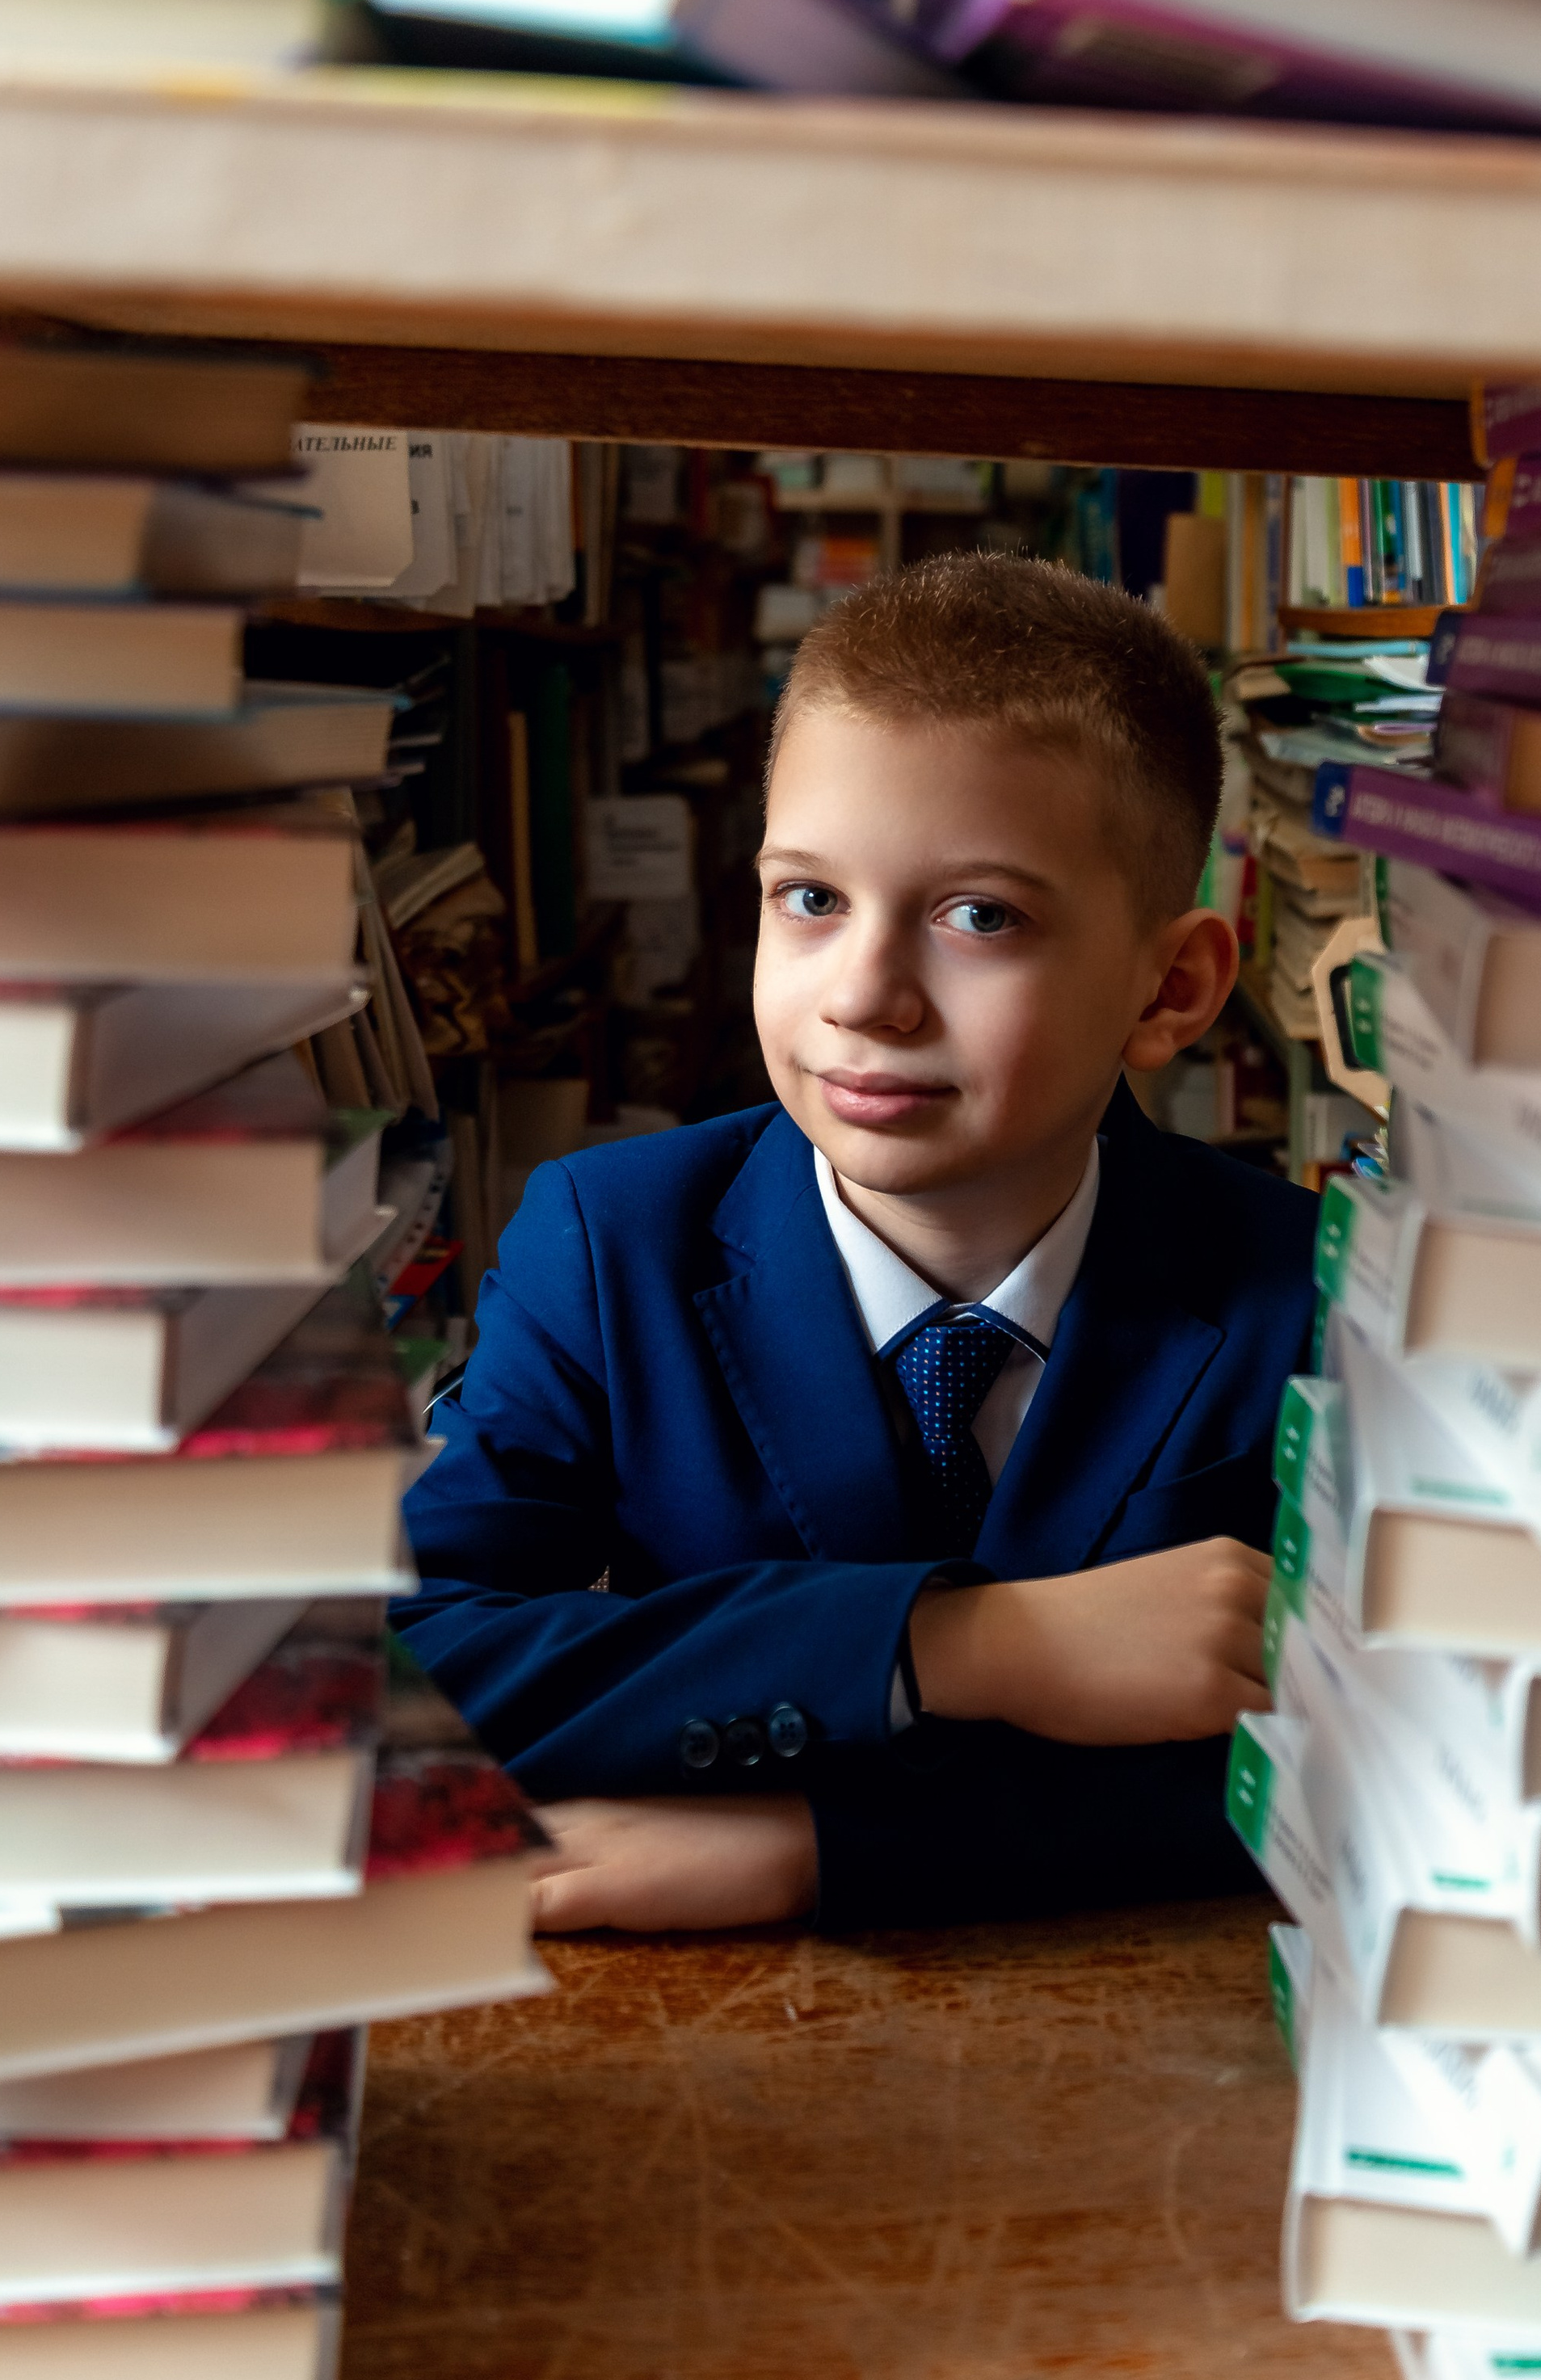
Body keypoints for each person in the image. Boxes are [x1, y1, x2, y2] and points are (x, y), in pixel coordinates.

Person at [394, 552, 1320, 1936]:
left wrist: (819, 1846)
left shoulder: (1309, 1290)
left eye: (979, 917)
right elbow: (397, 1667)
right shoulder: (610, 1245)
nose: (864, 996)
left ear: (1169, 989)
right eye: (811, 900)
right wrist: (963, 1644)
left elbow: (1376, 1761)